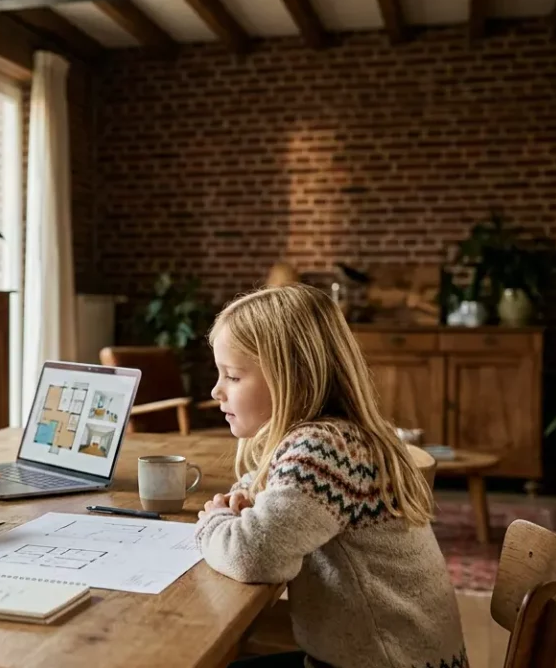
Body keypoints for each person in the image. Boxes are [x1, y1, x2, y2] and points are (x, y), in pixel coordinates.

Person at [195, 284, 466, 668]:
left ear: (293, 377)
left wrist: (213, 522)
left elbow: (253, 555)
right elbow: (267, 483)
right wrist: (246, 499)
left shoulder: (323, 451)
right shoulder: (337, 439)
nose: (216, 390)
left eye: (233, 377)